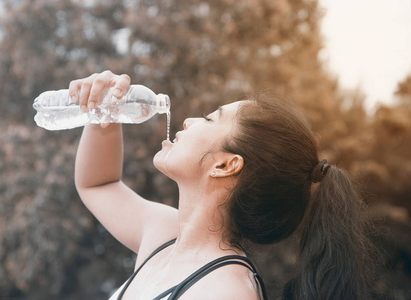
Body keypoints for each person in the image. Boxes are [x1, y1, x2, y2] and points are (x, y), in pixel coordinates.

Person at [70, 71, 373, 300]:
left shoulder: (226, 291)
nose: (188, 121)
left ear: (225, 165)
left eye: (209, 118)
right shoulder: (164, 235)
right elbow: (98, 184)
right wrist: (104, 113)